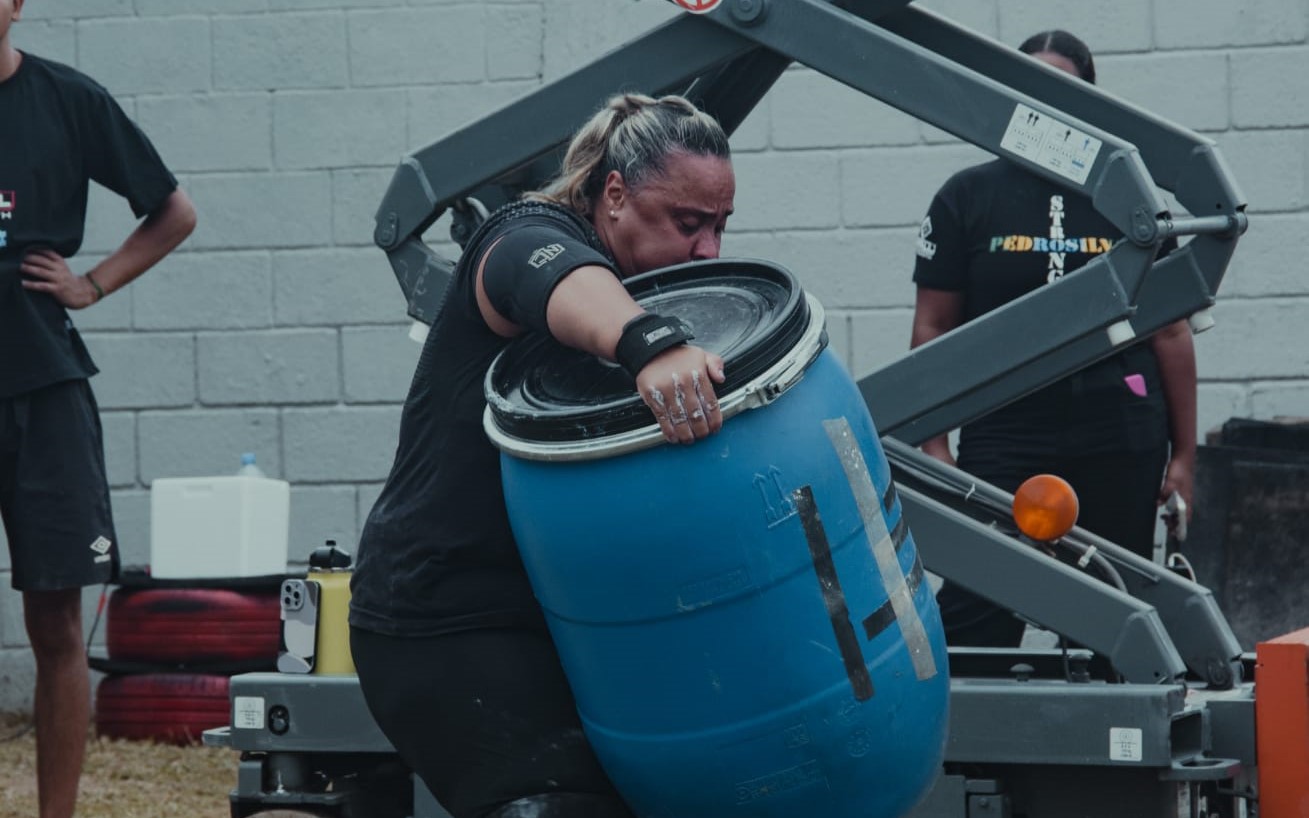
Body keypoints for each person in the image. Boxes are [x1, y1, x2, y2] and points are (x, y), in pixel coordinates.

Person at [349, 93, 734, 818]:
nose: (709, 247)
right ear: (614, 194)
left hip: (555, 622)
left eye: (719, 225)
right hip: (442, 623)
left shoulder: (635, 290)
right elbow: (548, 272)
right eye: (688, 223)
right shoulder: (528, 235)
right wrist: (647, 345)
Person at [909, 29, 1197, 647]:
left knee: (1113, 607)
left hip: (1119, 428)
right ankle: (972, 742)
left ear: (1089, 102)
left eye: (1062, 89)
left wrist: (1185, 457)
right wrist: (933, 445)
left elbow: (1171, 329)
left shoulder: (1134, 200)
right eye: (1031, 87)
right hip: (1007, 430)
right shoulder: (967, 196)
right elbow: (932, 328)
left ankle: (1113, 735)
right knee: (980, 604)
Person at [0, 2, 198, 816]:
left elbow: (173, 212)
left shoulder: (69, 100)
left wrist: (94, 284)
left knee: (55, 622)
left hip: (42, 389)